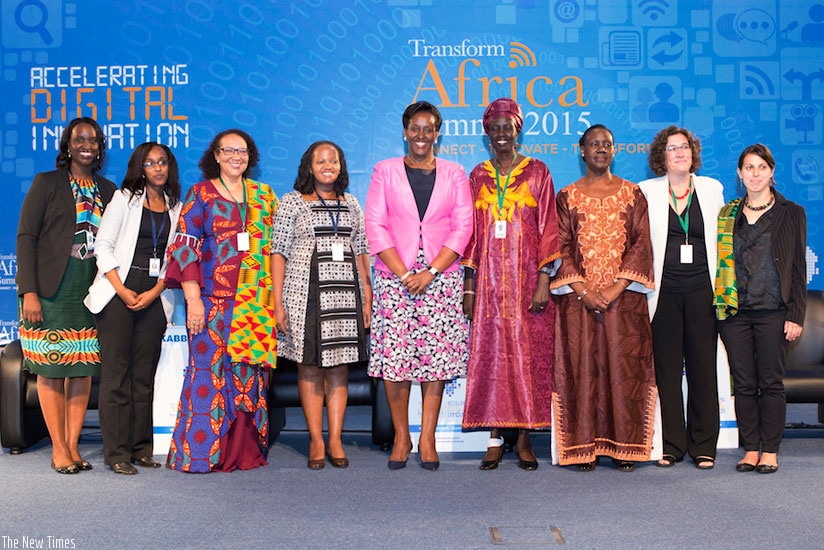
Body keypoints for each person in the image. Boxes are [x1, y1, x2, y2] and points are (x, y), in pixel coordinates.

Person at [365, 101, 473, 471]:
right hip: (395, 277)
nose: (422, 135)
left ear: (437, 134)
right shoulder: (385, 171)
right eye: (415, 128)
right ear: (405, 131)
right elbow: (375, 225)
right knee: (396, 360)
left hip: (440, 279)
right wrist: (402, 272)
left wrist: (430, 272)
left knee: (436, 360)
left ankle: (427, 437)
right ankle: (401, 436)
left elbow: (463, 227)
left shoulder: (455, 173)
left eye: (429, 129)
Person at [165, 129, 278, 473]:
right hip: (211, 304)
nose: (235, 157)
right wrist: (193, 299)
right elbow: (185, 249)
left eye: (242, 151)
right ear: (215, 155)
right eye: (228, 150)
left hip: (255, 304)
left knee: (247, 379)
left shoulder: (264, 195)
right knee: (208, 379)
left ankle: (243, 452)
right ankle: (205, 455)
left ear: (250, 156)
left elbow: (277, 250)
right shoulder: (200, 194)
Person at [550, 124, 657, 472]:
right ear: (581, 151)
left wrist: (613, 289)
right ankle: (584, 447)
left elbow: (642, 245)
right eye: (593, 144)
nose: (600, 149)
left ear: (614, 150)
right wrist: (583, 291)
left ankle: (624, 448)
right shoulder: (567, 196)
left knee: (623, 369)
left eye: (606, 144)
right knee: (582, 370)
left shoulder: (632, 194)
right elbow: (560, 247)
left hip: (623, 302)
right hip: (578, 302)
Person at [461, 98, 560, 471]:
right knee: (491, 359)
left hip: (526, 283)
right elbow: (470, 234)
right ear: (487, 133)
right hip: (487, 285)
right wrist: (469, 287)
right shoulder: (478, 175)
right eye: (495, 127)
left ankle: (523, 438)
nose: (502, 133)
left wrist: (543, 281)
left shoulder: (538, 172)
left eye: (508, 127)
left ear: (518, 130)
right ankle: (493, 437)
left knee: (525, 360)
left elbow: (549, 228)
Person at [16, 117, 117, 474]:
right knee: (52, 369)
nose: (86, 145)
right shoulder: (47, 183)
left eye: (93, 140)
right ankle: (58, 448)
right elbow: (26, 238)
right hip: (49, 290)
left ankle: (73, 447)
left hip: (91, 291)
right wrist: (29, 291)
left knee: (82, 370)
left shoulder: (109, 190)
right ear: (68, 145)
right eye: (79, 140)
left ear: (100, 147)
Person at [84, 142, 182, 475]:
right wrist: (122, 290)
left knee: (144, 378)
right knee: (116, 377)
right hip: (117, 294)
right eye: (151, 163)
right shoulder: (124, 199)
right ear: (140, 167)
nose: (158, 168)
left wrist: (155, 291)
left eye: (163, 162)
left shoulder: (175, 206)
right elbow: (103, 246)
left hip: (154, 297)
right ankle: (116, 453)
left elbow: (173, 259)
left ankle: (142, 449)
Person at [272, 141, 371, 470]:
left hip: (345, 295)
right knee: (310, 367)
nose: (328, 165)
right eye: (320, 160)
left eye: (334, 160)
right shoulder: (292, 202)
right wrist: (278, 302)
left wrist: (367, 294)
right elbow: (279, 252)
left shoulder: (351, 203)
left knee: (339, 369)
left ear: (341, 166)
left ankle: (335, 439)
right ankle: (315, 438)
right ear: (309, 166)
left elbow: (361, 251)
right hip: (305, 296)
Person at [715, 143, 806, 474]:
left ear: (771, 172)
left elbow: (797, 269)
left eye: (761, 167)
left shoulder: (791, 212)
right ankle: (750, 448)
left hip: (774, 310)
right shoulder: (727, 214)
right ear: (740, 174)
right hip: (734, 313)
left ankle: (770, 450)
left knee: (770, 382)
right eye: (748, 168)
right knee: (742, 384)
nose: (755, 174)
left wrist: (796, 314)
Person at [638, 126, 725, 469]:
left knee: (704, 369)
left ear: (693, 153)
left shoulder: (711, 189)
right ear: (662, 156)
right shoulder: (646, 191)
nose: (679, 153)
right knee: (667, 372)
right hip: (664, 294)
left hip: (704, 291)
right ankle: (672, 444)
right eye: (672, 148)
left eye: (685, 147)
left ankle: (704, 446)